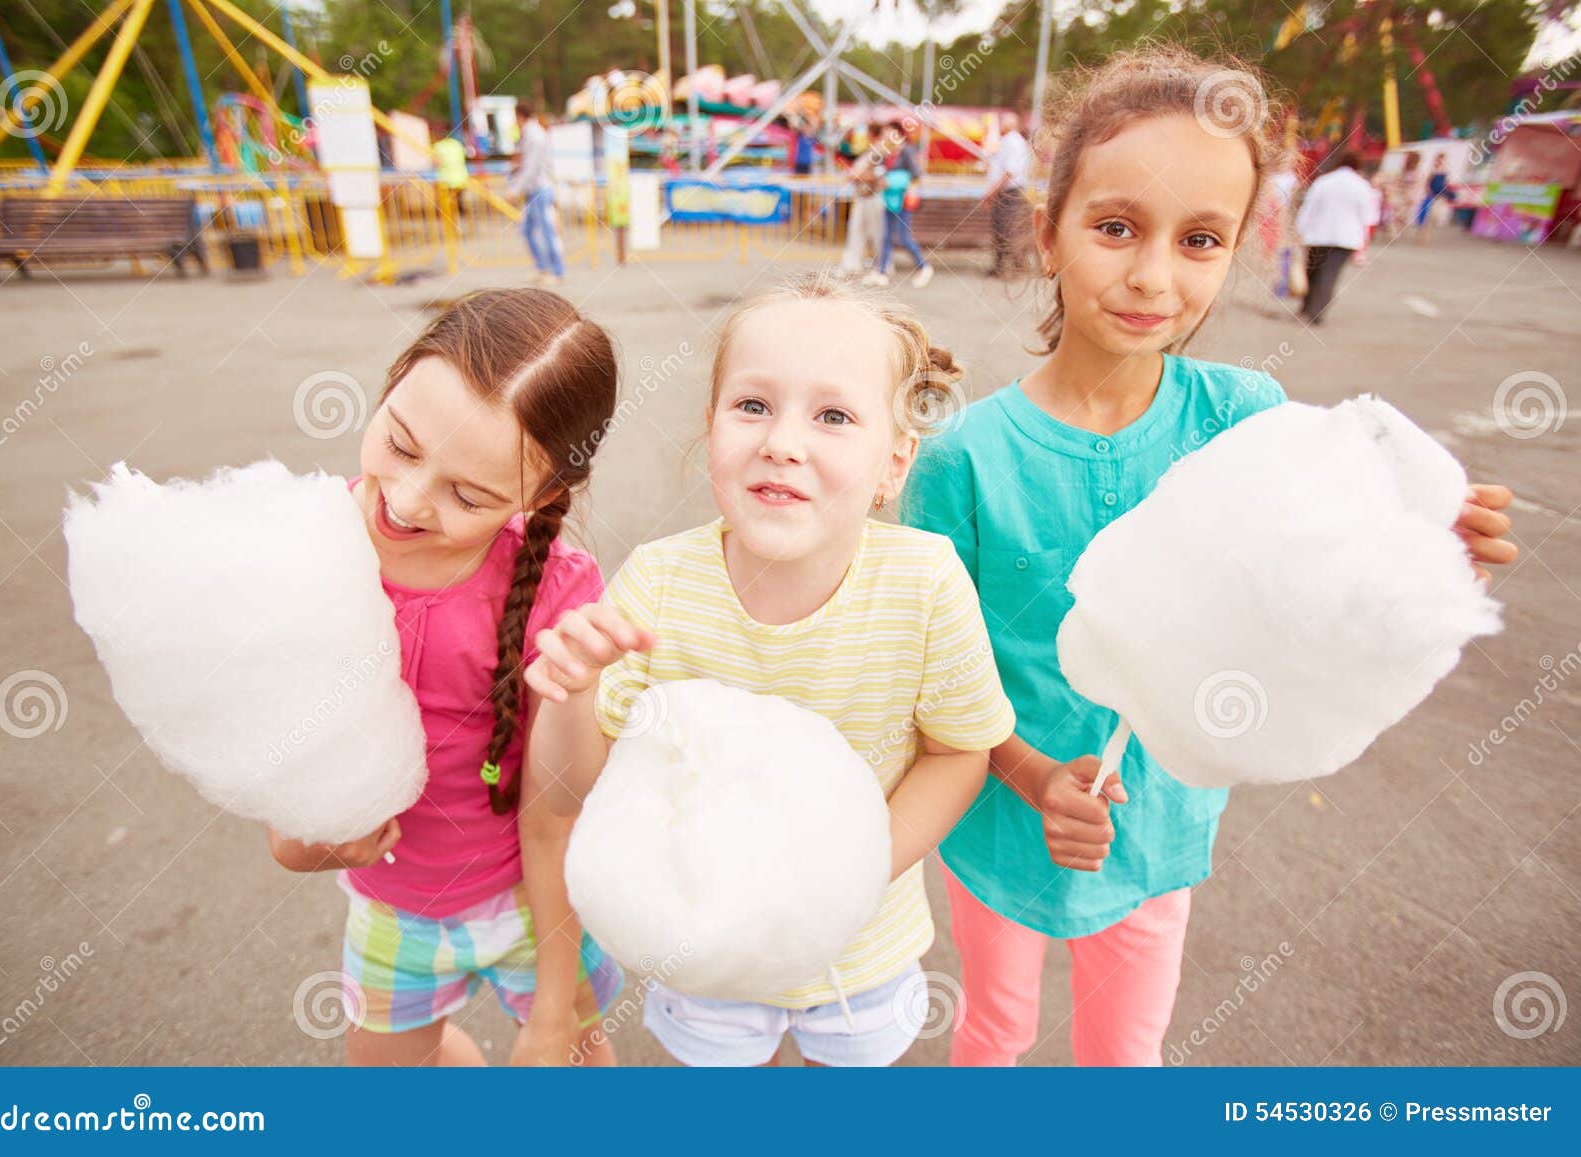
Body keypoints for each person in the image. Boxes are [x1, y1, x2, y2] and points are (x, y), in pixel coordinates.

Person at [902, 45, 1520, 1068]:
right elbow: (933, 668)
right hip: (1002, 830)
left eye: (1198, 239)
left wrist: (1423, 561)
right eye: (1113, 227)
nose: (1152, 274)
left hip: (1158, 833)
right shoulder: (964, 456)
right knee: (992, 1032)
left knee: (1128, 1053)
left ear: (1236, 247)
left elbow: (1309, 602)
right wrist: (1026, 773)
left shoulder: (1248, 419)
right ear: (1047, 234)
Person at [523, 274, 1016, 1066]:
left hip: (859, 951)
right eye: (753, 405)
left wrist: (844, 876)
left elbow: (960, 751)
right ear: (710, 427)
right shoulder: (657, 584)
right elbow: (575, 790)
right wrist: (573, 696)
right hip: (701, 943)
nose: (783, 440)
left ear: (894, 462)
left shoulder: (925, 584)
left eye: (832, 415)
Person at [267, 290, 629, 1067]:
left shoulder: (558, 593)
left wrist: (554, 1010)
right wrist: (312, 845)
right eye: (399, 443)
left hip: (540, 904)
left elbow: (557, 811)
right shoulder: (303, 547)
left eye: (469, 494)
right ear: (392, 385)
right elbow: (286, 809)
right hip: (394, 911)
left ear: (543, 498)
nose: (404, 499)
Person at [1294, 152, 1379, 324]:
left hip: (1318, 235)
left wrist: (1299, 230)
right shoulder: (1362, 186)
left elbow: (1308, 208)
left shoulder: (1324, 182)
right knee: (1330, 274)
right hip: (1346, 239)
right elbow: (1368, 218)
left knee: (1312, 272)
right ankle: (1317, 311)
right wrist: (1363, 245)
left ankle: (1307, 305)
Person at [865, 126, 934, 288]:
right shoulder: (885, 154)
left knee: (904, 238)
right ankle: (882, 272)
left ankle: (923, 266)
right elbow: (877, 172)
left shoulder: (907, 152)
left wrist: (898, 184)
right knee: (886, 237)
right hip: (889, 199)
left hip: (903, 200)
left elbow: (916, 175)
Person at [511, 106, 566, 287]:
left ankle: (557, 271)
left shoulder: (534, 136)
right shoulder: (529, 134)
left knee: (546, 230)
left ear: (520, 116)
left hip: (540, 188)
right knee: (528, 229)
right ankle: (543, 268)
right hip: (533, 189)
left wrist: (515, 189)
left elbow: (532, 167)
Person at [983, 110, 1032, 277]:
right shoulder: (1005, 141)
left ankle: (1016, 267)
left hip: (1010, 192)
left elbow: (1010, 172)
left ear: (1012, 123)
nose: (1000, 123)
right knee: (1000, 229)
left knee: (1007, 229)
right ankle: (1001, 266)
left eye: (1003, 120)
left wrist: (992, 192)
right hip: (1004, 192)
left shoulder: (1013, 142)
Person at [836, 122, 887, 278]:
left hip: (872, 198)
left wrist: (855, 176)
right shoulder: (871, 151)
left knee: (876, 233)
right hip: (863, 198)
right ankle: (853, 263)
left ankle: (881, 266)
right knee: (857, 231)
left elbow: (878, 177)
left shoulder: (879, 153)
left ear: (872, 134)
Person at [1414, 154, 1455, 244]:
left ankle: (1426, 236)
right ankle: (1420, 235)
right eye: (1440, 160)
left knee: (1433, 217)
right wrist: (1429, 192)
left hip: (1439, 197)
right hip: (1430, 196)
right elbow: (1426, 183)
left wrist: (1445, 194)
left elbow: (1445, 184)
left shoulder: (1445, 172)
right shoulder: (1431, 171)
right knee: (1424, 217)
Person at [431, 133, 469, 218]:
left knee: (442, 197)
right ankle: (459, 210)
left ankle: (443, 213)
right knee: (457, 197)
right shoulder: (457, 144)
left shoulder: (438, 146)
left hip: (446, 178)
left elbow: (436, 162)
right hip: (461, 176)